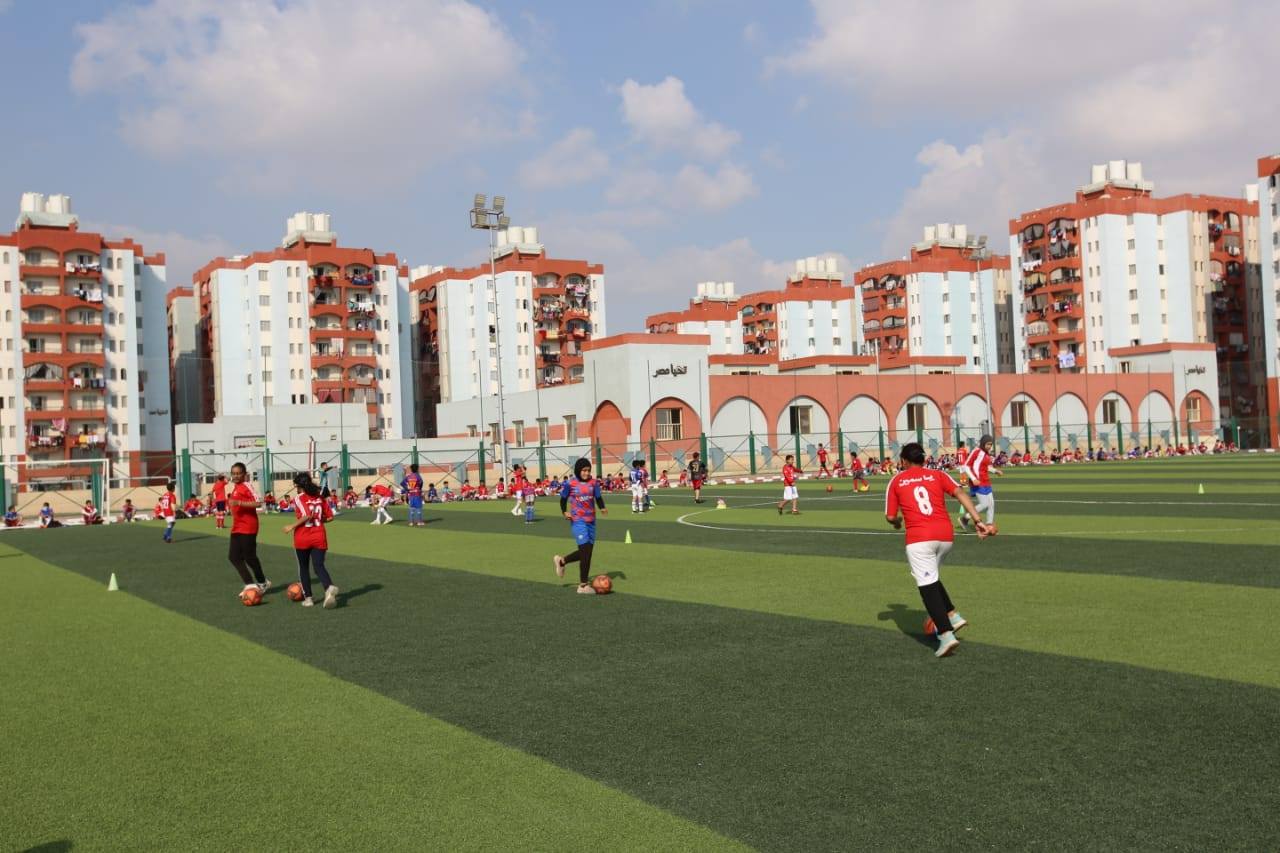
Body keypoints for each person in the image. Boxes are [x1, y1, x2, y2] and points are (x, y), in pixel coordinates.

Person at [885, 442, 990, 658]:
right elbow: (960, 493)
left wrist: (897, 523)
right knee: (931, 578)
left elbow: (890, 516)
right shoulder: (938, 474)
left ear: (903, 460)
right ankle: (952, 615)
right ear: (923, 459)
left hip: (919, 539)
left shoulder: (896, 480)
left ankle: (945, 634)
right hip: (945, 536)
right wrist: (978, 520)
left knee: (926, 587)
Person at [282, 472, 339, 608]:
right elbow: (330, 517)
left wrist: (291, 526)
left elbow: (307, 515)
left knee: (303, 568)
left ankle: (308, 598)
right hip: (319, 535)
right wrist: (319, 520)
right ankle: (328, 587)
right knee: (319, 566)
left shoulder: (299, 498)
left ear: (299, 486)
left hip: (303, 537)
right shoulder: (320, 497)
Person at [553, 458, 607, 595]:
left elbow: (598, 497)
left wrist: (602, 507)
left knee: (587, 553)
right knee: (585, 553)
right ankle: (583, 585)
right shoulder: (570, 483)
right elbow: (563, 499)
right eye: (584, 470)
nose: (586, 473)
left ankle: (562, 561)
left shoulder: (593, 483)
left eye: (588, 470)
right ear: (578, 470)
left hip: (591, 521)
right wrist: (564, 511)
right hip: (578, 521)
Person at [227, 461, 271, 598]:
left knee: (249, 557)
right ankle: (251, 585)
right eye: (233, 473)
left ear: (244, 474)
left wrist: (239, 502)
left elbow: (258, 503)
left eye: (238, 473)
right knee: (233, 557)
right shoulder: (236, 487)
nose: (236, 476)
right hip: (237, 527)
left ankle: (262, 582)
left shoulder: (246, 485)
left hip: (248, 526)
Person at [958, 434, 1002, 532]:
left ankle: (989, 524)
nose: (989, 446)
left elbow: (986, 467)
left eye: (991, 444)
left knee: (991, 504)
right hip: (978, 482)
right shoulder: (976, 451)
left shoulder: (986, 454)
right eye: (988, 444)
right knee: (984, 504)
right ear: (983, 443)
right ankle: (965, 518)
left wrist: (995, 471)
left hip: (986, 481)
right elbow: (966, 466)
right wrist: (973, 479)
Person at [401, 463, 426, 527]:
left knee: (412, 508)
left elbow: (402, 483)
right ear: (417, 469)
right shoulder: (418, 476)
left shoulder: (409, 476)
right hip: (417, 493)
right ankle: (419, 522)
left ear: (411, 469)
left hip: (411, 494)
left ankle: (411, 522)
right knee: (418, 508)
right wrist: (419, 489)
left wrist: (407, 489)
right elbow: (421, 483)